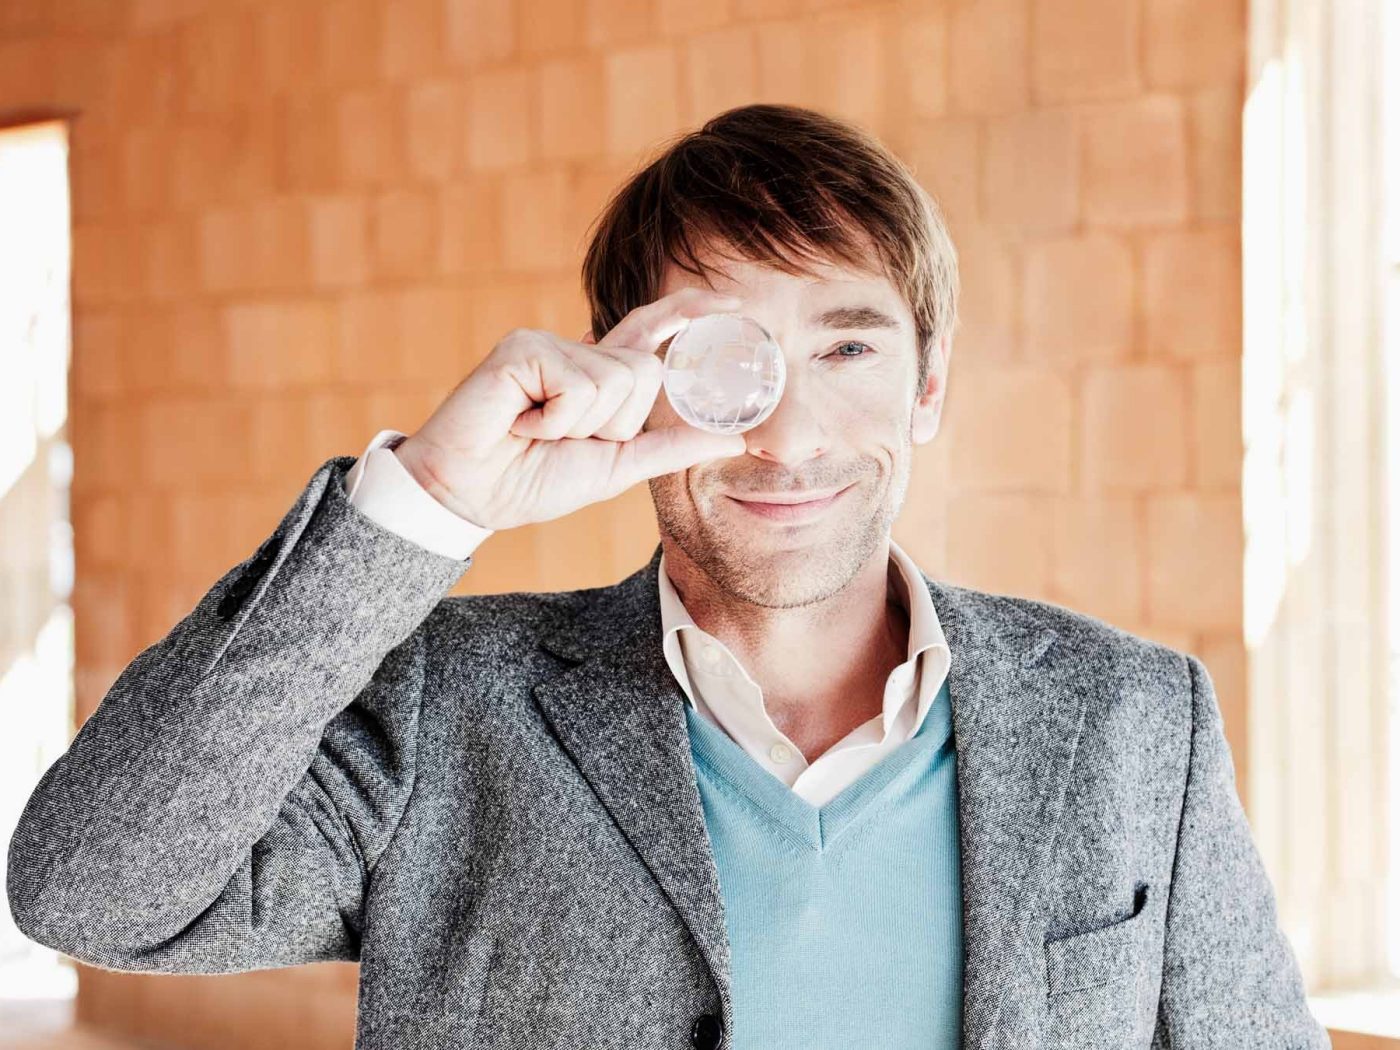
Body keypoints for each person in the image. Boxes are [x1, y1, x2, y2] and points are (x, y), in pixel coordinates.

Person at [6, 103, 1329, 1050]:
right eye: (726, 359)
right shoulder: (447, 713)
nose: (789, 434)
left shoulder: (1135, 721)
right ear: (624, 379)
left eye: (849, 350)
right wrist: (429, 499)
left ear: (931, 386)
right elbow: (89, 888)